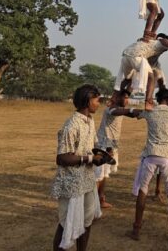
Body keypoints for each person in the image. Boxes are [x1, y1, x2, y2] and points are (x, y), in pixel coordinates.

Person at [50, 84, 108, 251]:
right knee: (67, 224)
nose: (99, 103)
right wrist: (90, 158)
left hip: (87, 180)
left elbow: (93, 145)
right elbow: (61, 158)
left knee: (87, 221)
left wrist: (104, 154)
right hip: (72, 183)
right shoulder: (71, 125)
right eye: (97, 100)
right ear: (87, 100)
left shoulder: (89, 120)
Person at [128, 88, 168, 241]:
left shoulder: (151, 111)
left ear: (157, 98)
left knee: (143, 191)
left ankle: (136, 228)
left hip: (150, 155)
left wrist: (139, 106)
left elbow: (134, 113)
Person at [94, 90, 136, 209]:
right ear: (117, 98)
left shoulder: (119, 108)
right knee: (98, 176)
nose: (127, 100)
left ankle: (101, 199)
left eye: (128, 98)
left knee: (105, 175)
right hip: (103, 146)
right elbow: (117, 111)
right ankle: (91, 206)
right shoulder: (111, 109)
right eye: (125, 97)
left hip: (111, 146)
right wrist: (134, 111)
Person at [114, 34, 168, 107]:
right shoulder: (154, 43)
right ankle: (120, 96)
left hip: (153, 64)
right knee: (131, 79)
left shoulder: (160, 46)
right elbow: (140, 42)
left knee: (161, 81)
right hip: (142, 61)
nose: (166, 50)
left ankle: (162, 100)